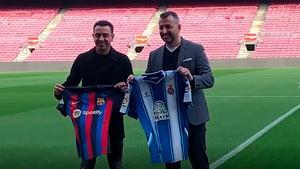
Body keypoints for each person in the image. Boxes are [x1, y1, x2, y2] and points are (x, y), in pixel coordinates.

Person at [129, 11, 214, 169]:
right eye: (161, 28)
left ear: (179, 27)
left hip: (193, 115)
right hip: (167, 117)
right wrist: (133, 83)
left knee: (198, 158)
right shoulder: (154, 55)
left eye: (168, 27)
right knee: (171, 162)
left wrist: (191, 78)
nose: (164, 31)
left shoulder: (195, 49)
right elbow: (148, 82)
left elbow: (209, 79)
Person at [54, 20, 133, 169]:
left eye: (105, 35)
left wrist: (126, 88)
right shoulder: (82, 59)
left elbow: (131, 91)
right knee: (87, 164)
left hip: (114, 120)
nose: (101, 39)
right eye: (98, 35)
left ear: (112, 37)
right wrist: (59, 92)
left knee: (116, 163)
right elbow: (71, 83)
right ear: (93, 36)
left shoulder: (123, 60)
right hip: (88, 120)